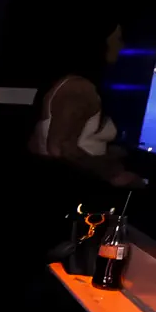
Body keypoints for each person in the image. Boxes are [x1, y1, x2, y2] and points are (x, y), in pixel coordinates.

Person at [27, 18, 144, 188]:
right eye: (118, 39)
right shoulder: (79, 89)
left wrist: (110, 154)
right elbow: (59, 148)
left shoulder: (76, 84)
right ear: (101, 43)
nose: (121, 47)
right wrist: (112, 174)